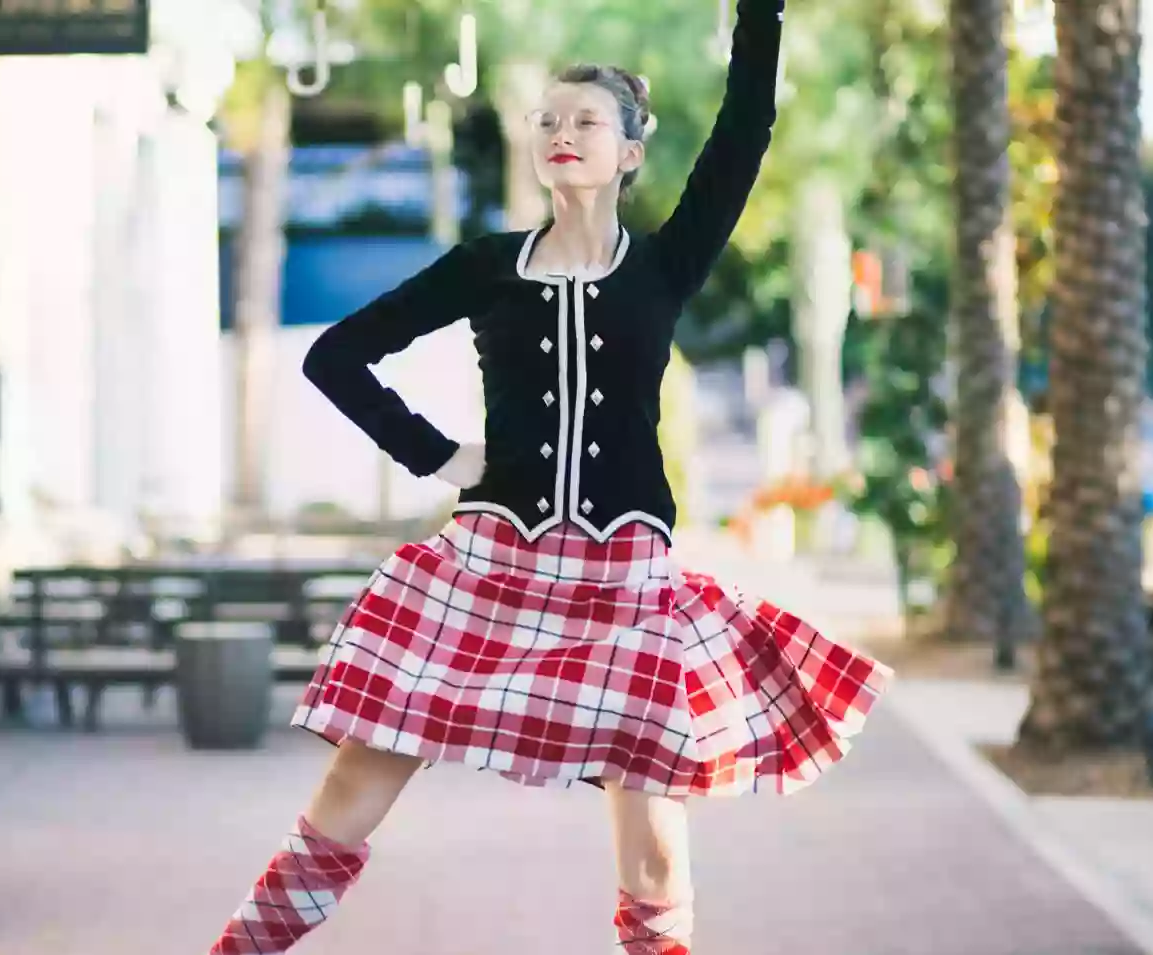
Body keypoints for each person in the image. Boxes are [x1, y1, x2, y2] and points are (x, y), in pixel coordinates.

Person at [207, 1, 893, 952]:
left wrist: (759, 10)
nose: (563, 134)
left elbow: (746, 125)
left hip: (626, 581)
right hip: (486, 569)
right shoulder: (487, 267)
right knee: (355, 778)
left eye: (587, 123)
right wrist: (438, 454)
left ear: (628, 154)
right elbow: (336, 357)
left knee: (651, 832)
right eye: (549, 121)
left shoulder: (666, 263)